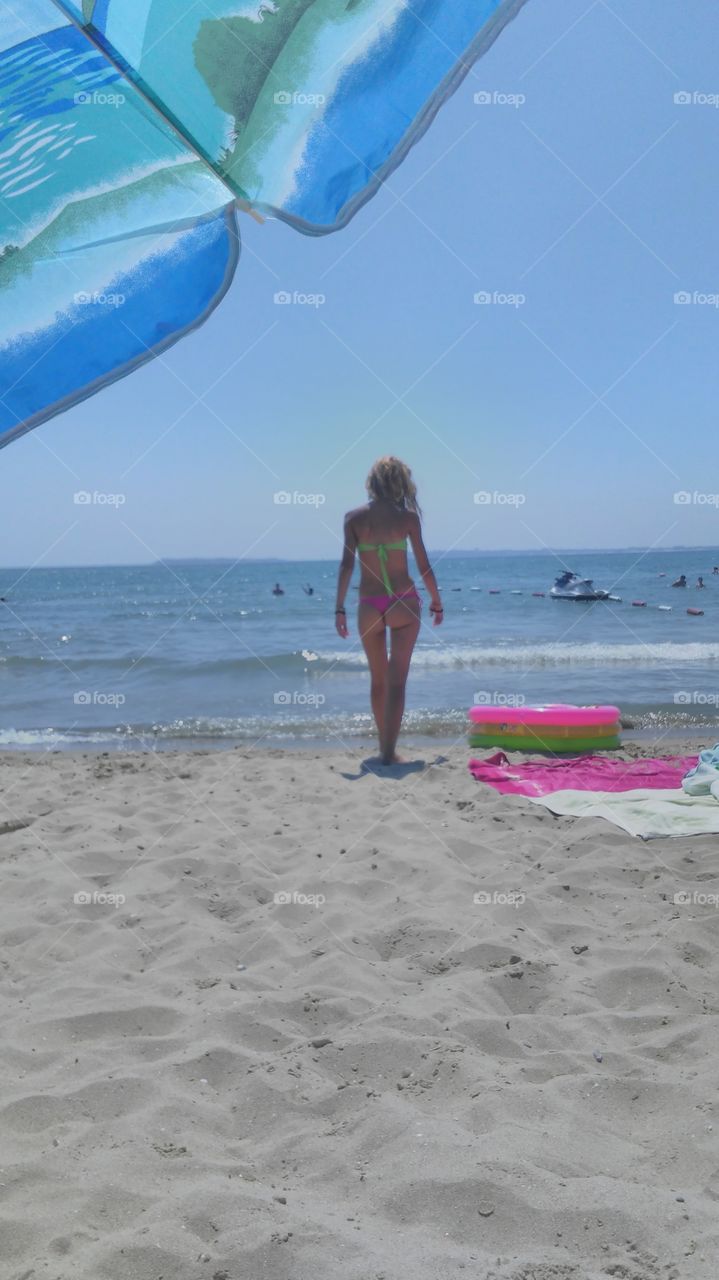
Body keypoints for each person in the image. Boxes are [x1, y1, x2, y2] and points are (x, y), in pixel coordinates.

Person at [335, 456, 442, 765]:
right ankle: (388, 752)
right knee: (397, 681)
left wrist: (339, 609)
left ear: (372, 483)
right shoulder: (408, 518)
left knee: (378, 680)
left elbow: (346, 566)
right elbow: (423, 566)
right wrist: (436, 600)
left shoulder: (352, 518)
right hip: (404, 602)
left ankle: (385, 749)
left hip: (368, 605)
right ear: (401, 483)